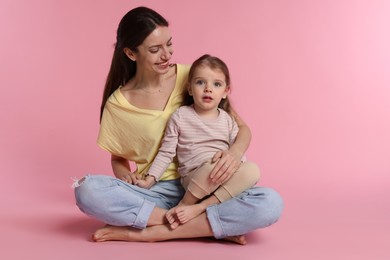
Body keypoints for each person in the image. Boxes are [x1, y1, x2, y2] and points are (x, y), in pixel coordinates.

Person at [74, 6, 283, 245]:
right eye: (155, 49)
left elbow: (241, 128)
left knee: (270, 203)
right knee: (87, 190)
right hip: (158, 192)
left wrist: (233, 156)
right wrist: (128, 178)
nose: (166, 55)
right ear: (131, 53)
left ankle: (157, 231)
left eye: (169, 44)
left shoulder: (194, 76)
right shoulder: (118, 105)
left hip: (213, 182)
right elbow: (118, 159)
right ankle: (202, 225)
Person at [137, 54, 260, 230]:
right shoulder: (180, 116)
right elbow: (166, 152)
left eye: (216, 84)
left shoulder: (227, 119)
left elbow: (237, 151)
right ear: (189, 89)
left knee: (253, 170)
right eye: (200, 82)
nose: (208, 89)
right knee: (212, 167)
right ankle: (185, 204)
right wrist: (150, 179)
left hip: (222, 178)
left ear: (226, 92)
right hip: (196, 177)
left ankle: (198, 208)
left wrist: (235, 166)